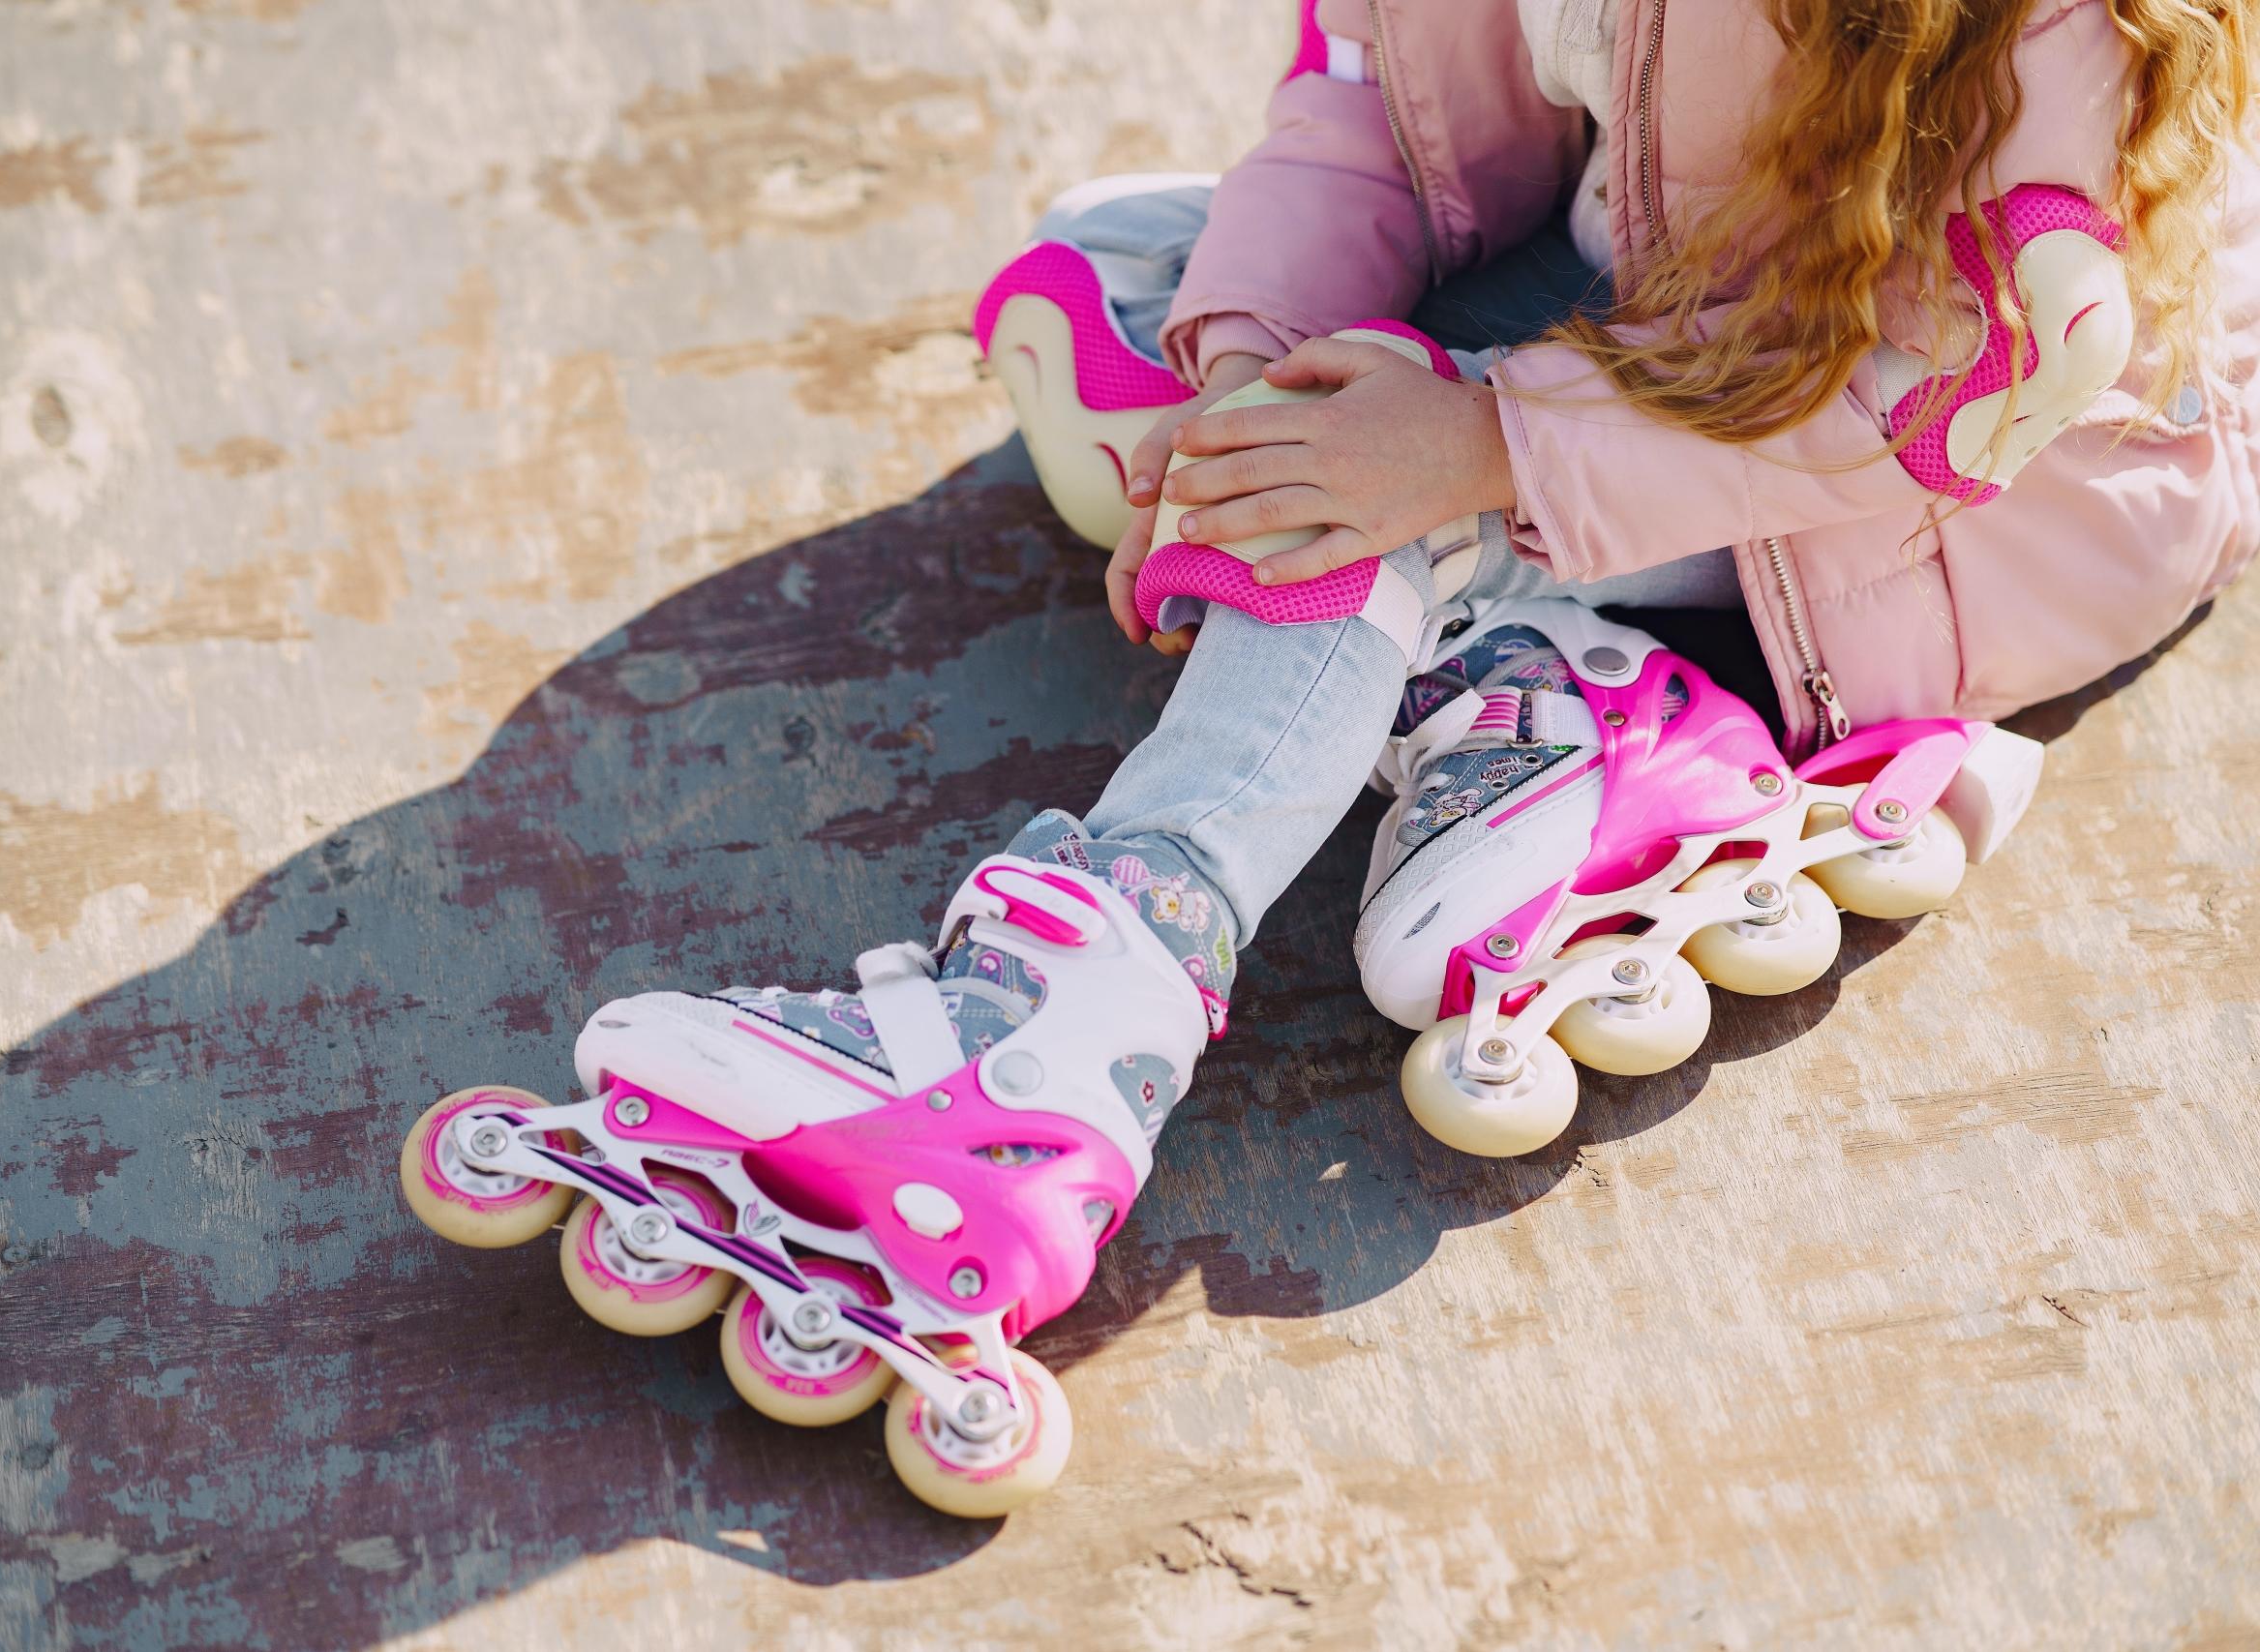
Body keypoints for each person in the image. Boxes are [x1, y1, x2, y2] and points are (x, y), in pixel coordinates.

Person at [407, 1, 2258, 1513]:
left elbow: (1962, 387)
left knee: (1348, 477)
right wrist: (1250, 377)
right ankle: (1569, 696)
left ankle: (1059, 1053)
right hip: (1657, 305)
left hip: (1949, 500)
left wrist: (1472, 448)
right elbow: (1384, 112)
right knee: (1149, 300)